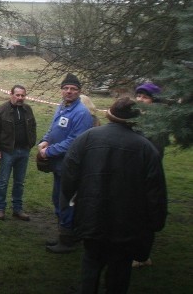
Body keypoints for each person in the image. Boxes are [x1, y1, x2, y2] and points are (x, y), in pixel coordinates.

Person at [61, 97, 167, 293]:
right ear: (134, 121)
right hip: (127, 223)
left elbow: (68, 175)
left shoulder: (87, 138)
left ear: (110, 115)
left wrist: (68, 202)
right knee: (120, 272)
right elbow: (156, 191)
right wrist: (155, 223)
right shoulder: (146, 148)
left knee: (91, 266)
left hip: (92, 218)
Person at [38, 73, 95, 254]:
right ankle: (63, 233)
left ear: (79, 92)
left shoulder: (81, 113)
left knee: (67, 202)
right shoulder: (63, 106)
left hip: (71, 166)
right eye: (66, 88)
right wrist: (45, 140)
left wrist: (49, 151)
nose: (69, 92)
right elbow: (53, 127)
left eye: (73, 89)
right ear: (61, 90)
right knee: (58, 199)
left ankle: (68, 240)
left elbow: (74, 141)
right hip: (59, 165)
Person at [131, 82, 168, 268]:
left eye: (144, 97)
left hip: (147, 176)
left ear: (153, 100)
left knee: (144, 215)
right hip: (132, 173)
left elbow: (156, 152)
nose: (140, 99)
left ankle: (142, 256)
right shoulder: (137, 116)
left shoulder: (158, 123)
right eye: (138, 96)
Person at [0, 84, 37, 221]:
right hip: (7, 151)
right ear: (11, 95)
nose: (20, 98)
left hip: (24, 151)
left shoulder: (28, 109)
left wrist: (31, 143)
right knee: (3, 181)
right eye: (17, 95)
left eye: (23, 95)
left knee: (19, 182)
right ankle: (0, 208)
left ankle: (17, 209)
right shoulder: (0, 110)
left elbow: (33, 126)